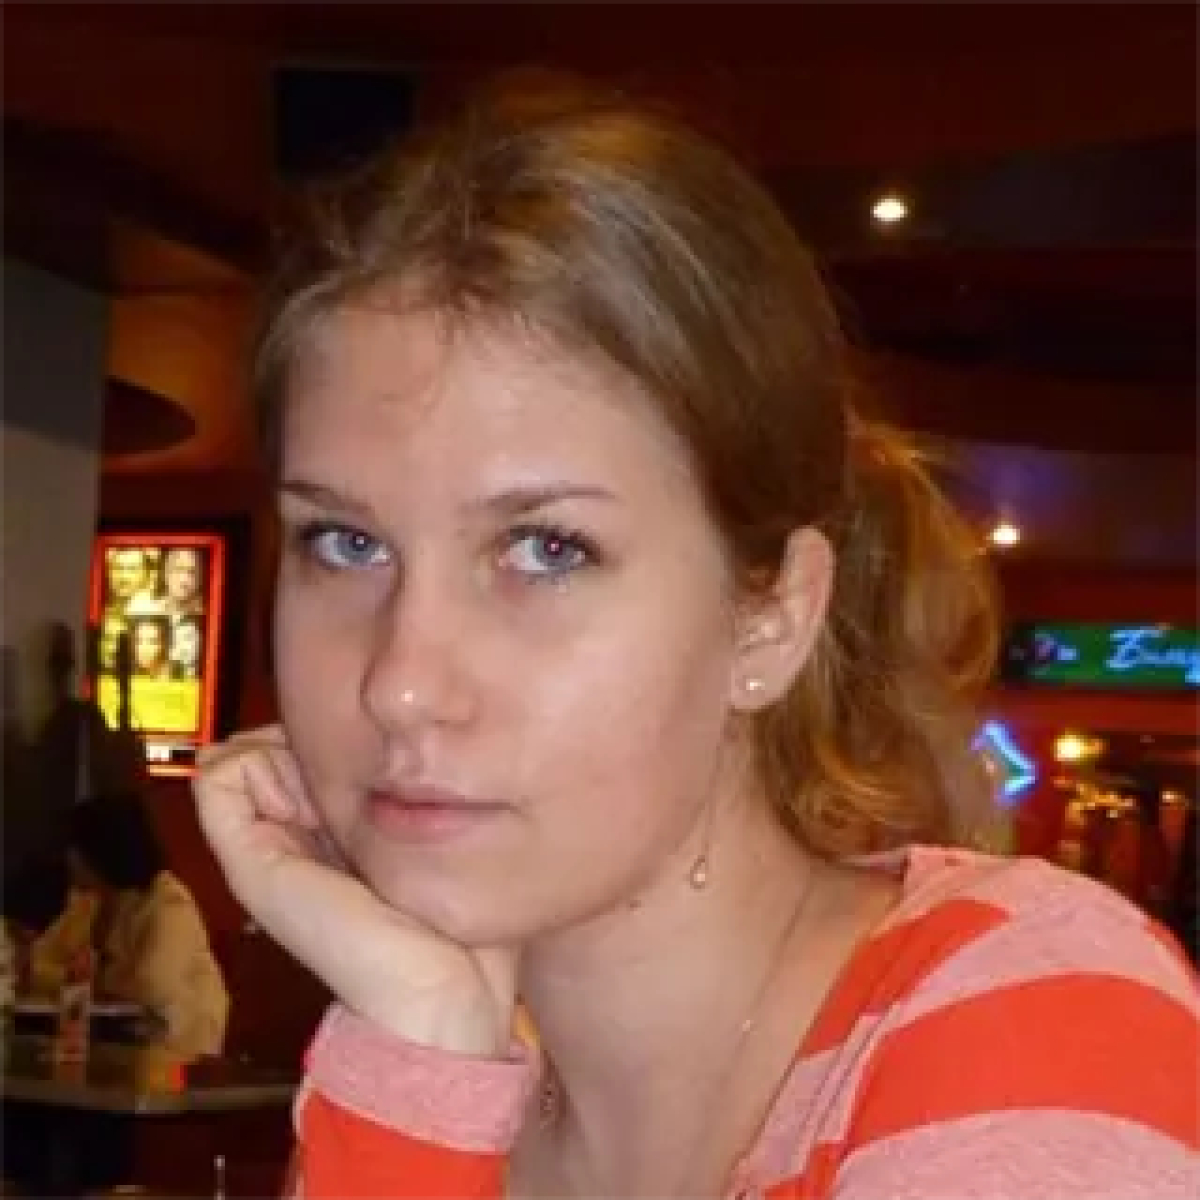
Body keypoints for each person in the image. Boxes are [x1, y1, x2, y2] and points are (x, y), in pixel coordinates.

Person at [194, 81, 1199, 1198]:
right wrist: (416, 1045)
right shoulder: (430, 1071)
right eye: (344, 542)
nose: (402, 685)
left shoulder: (1034, 1018)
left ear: (771, 616)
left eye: (546, 549)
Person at [69, 795, 229, 1058]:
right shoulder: (94, 903)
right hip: (118, 1039)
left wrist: (95, 981)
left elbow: (154, 985)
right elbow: (43, 963)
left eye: (76, 848)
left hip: (178, 1045)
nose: (69, 859)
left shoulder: (168, 901)